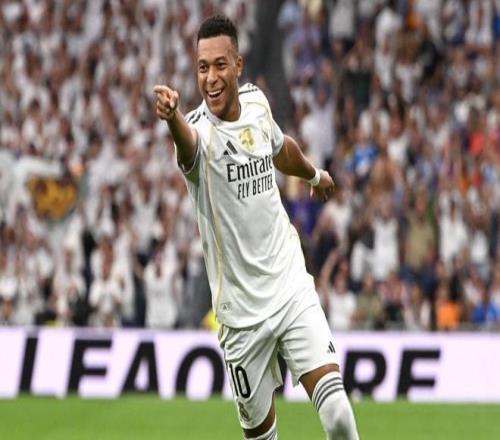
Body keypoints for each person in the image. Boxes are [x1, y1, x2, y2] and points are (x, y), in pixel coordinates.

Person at [154, 15, 359, 440]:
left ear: (238, 64)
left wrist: (314, 175)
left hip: (288, 286)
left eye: (220, 65)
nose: (211, 78)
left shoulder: (257, 103)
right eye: (202, 67)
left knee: (338, 415)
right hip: (240, 316)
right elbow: (186, 148)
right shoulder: (197, 132)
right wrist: (173, 118)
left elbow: (280, 149)